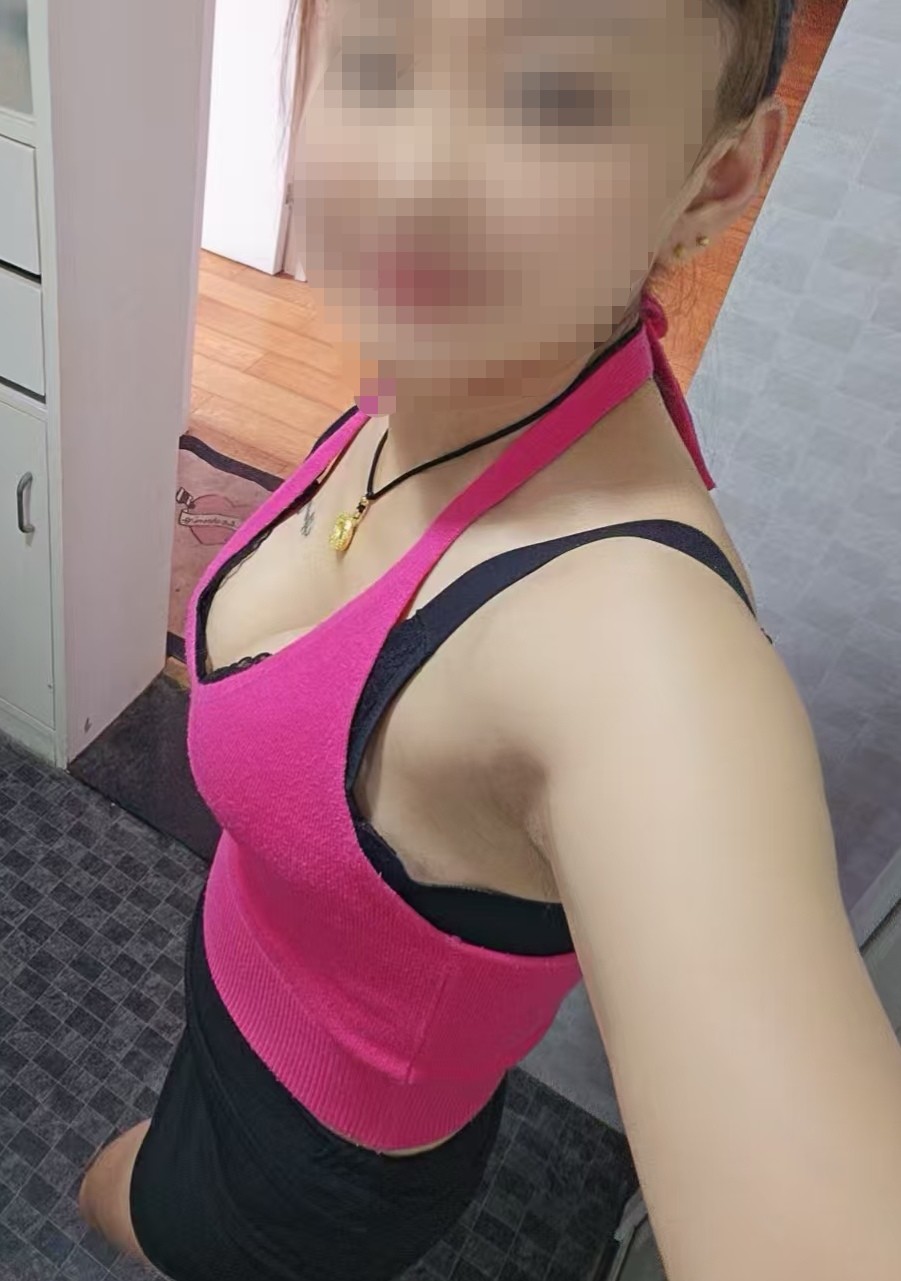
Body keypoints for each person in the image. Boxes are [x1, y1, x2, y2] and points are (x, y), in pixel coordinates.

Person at [79, 1, 901, 1279]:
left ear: (716, 177)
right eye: (376, 62)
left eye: (550, 97)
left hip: (305, 1175)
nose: (412, 183)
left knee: (99, 1204)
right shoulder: (463, 365)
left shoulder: (636, 652)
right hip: (232, 1023)